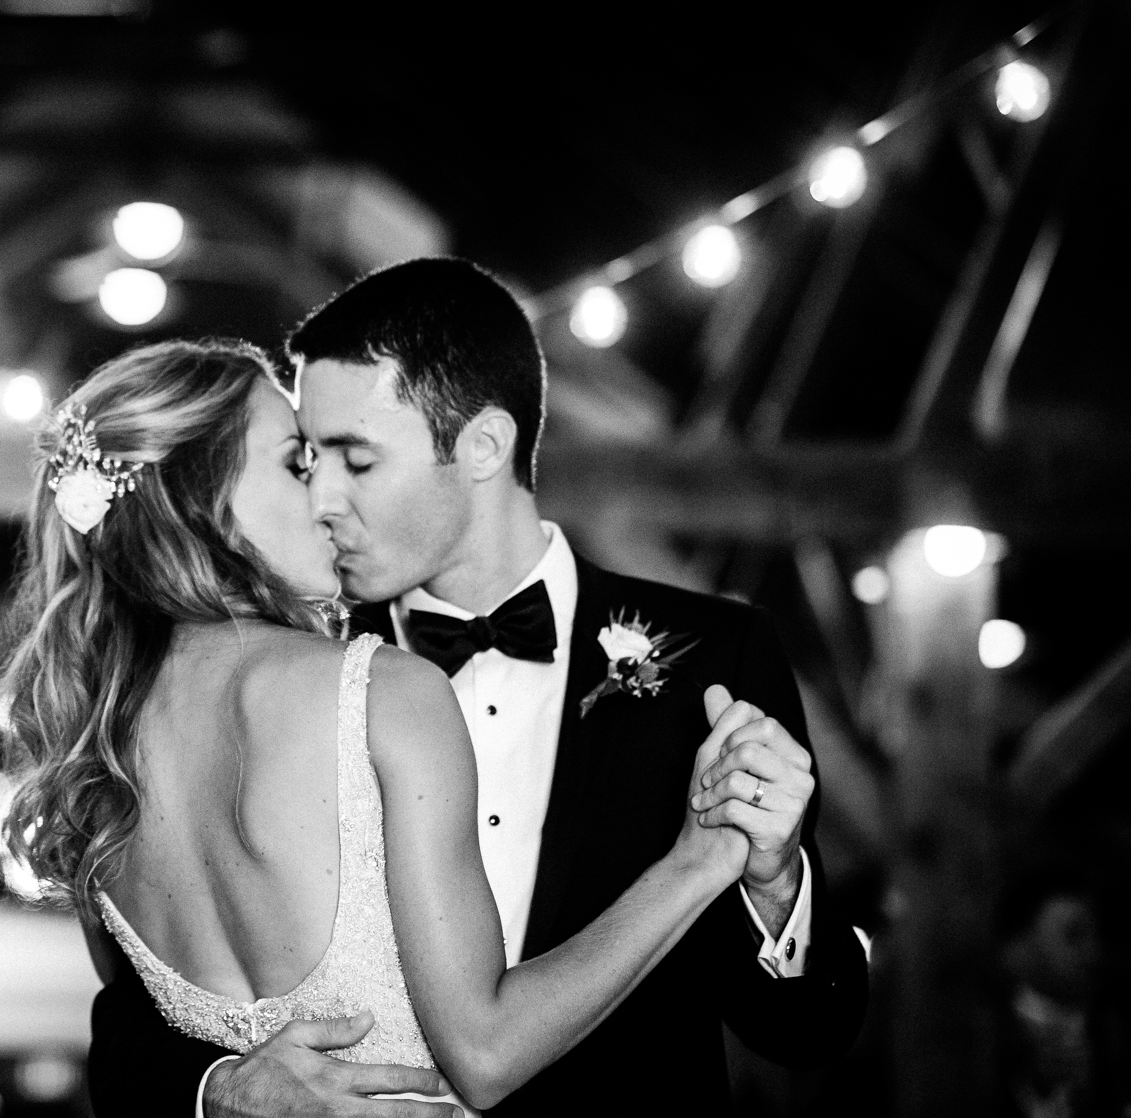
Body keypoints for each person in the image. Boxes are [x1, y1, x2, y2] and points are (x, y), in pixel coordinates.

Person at [82, 260, 870, 1117]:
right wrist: (220, 1089)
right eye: (307, 461)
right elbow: (132, 1017)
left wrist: (776, 883)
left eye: (355, 459)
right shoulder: (317, 681)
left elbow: (810, 1034)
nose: (326, 501)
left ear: (483, 447)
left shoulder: (716, 658)